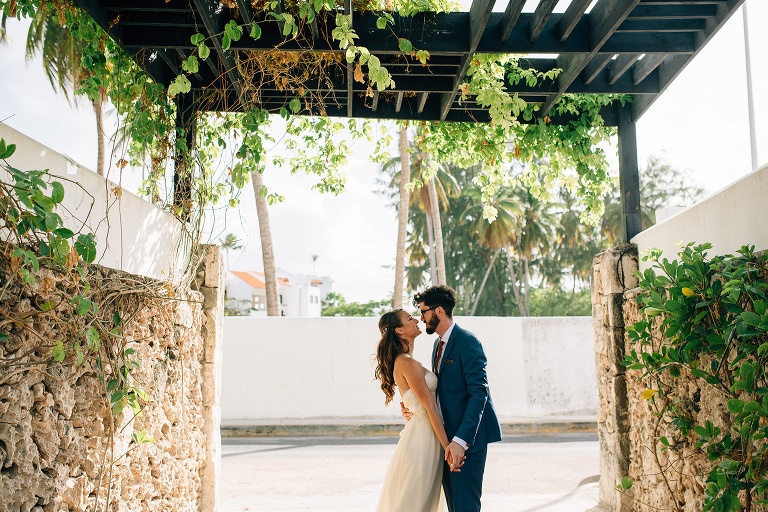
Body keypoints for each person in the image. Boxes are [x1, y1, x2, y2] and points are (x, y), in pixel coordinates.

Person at [408, 285, 503, 512]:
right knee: (454, 507)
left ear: (439, 311)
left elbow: (479, 393)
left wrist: (460, 441)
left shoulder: (468, 342)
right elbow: (441, 394)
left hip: (466, 442)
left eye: (424, 312)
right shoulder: (437, 344)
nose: (421, 319)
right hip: (445, 442)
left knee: (465, 507)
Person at [374, 309, 455, 512]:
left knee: (421, 501)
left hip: (424, 434)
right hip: (422, 440)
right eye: (410, 319)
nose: (417, 320)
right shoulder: (407, 362)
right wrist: (448, 447)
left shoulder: (407, 360)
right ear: (400, 330)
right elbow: (429, 406)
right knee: (415, 502)